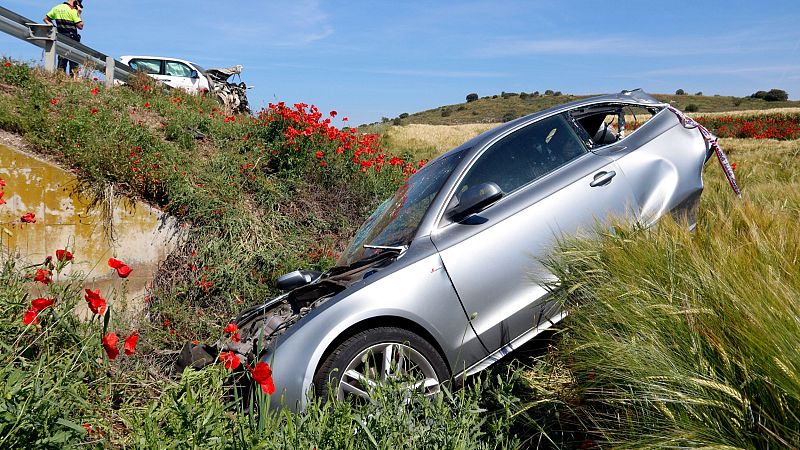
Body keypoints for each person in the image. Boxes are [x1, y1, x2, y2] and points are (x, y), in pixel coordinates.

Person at [43, 0, 84, 76]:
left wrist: (54, 28)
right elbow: (80, 26)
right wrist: (79, 13)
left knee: (62, 61)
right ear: (76, 2)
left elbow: (46, 19)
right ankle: (73, 81)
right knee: (74, 63)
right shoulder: (73, 10)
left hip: (61, 38)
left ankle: (60, 78)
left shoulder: (57, 8)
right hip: (72, 39)